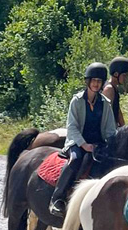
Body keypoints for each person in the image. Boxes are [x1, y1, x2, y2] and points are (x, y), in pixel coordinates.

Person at [48, 62, 117, 216]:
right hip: (77, 143)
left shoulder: (105, 104)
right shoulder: (77, 101)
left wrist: (111, 144)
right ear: (88, 81)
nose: (96, 84)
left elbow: (110, 129)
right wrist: (83, 144)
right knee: (75, 159)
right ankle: (57, 199)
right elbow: (71, 127)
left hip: (98, 144)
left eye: (99, 81)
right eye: (93, 80)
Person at [104, 56, 128, 128]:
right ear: (116, 74)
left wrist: (124, 128)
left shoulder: (114, 88)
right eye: (124, 75)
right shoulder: (109, 89)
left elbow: (117, 111)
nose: (125, 78)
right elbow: (106, 115)